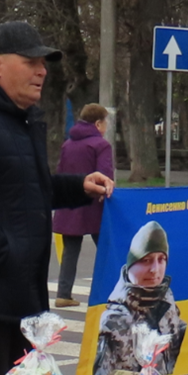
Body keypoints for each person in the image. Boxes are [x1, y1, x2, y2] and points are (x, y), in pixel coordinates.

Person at [0, 21, 114, 375]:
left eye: (43, 63)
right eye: (31, 61)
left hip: (16, 299)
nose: (42, 71)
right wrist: (8, 255)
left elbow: (26, 189)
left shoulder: (18, 117)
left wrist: (77, 187)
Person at [92, 221, 185, 375]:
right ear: (131, 265)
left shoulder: (168, 305)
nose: (155, 269)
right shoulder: (115, 320)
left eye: (161, 259)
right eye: (146, 260)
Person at [52, 104, 113, 307]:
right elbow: (105, 175)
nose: (106, 126)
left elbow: (61, 171)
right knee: (107, 248)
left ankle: (63, 293)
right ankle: (113, 288)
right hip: (94, 204)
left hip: (70, 201)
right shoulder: (101, 145)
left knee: (71, 251)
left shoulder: (68, 143)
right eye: (105, 122)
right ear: (98, 123)